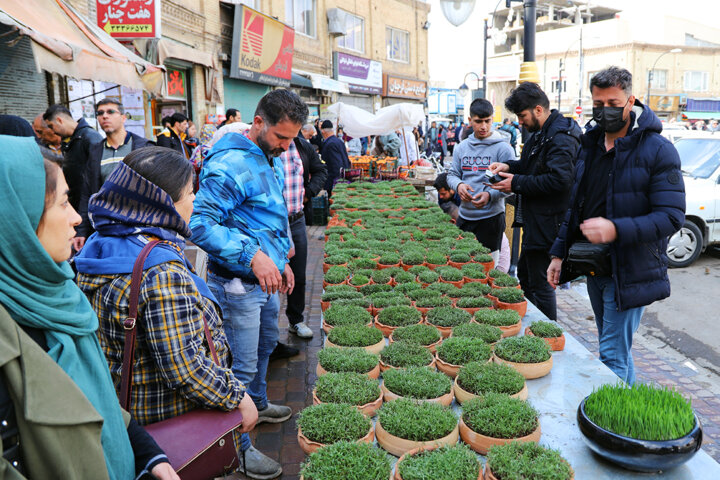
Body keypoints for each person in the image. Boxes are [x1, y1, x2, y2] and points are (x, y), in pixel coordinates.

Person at [74, 146, 264, 477]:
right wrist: (239, 396)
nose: (196, 201)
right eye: (191, 193)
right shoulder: (160, 271)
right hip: (169, 423)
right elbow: (185, 368)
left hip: (127, 415)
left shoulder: (102, 241)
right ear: (162, 202)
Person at [0, 135, 178, 479]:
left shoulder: (61, 293)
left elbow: (104, 405)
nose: (77, 218)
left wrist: (151, 457)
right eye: (63, 203)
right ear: (16, 215)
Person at [190, 89, 308, 479]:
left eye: (292, 139)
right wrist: (252, 257)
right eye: (281, 138)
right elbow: (201, 225)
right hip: (236, 284)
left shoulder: (264, 153)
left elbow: (261, 218)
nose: (286, 147)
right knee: (236, 370)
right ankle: (238, 448)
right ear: (259, 123)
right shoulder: (229, 163)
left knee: (261, 350)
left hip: (262, 282)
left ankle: (258, 402)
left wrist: (280, 260)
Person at [547, 66, 685, 385]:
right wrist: (558, 255)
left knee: (610, 356)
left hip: (630, 270)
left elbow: (672, 216)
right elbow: (575, 209)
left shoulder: (658, 150)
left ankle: (608, 431)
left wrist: (615, 229)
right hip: (593, 266)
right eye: (598, 103)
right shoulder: (590, 145)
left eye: (613, 102)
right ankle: (630, 407)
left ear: (631, 101)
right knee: (616, 350)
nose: (605, 110)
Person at [488, 82, 581, 320]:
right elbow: (531, 166)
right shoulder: (542, 133)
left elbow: (559, 181)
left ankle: (547, 332)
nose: (520, 121)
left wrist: (516, 183)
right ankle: (532, 323)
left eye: (522, 115)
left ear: (538, 110)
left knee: (540, 282)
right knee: (527, 277)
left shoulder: (561, 137)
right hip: (536, 220)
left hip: (550, 223)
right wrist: (508, 166)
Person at [76, 98, 153, 250]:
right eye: (100, 113)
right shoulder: (95, 151)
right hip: (105, 227)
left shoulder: (142, 147)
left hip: (138, 225)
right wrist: (81, 230)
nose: (104, 116)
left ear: (123, 117)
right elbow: (87, 192)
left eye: (111, 112)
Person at [446, 98, 515, 262]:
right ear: (470, 121)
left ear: (493, 119)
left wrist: (489, 195)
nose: (483, 126)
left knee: (488, 267)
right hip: (465, 218)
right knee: (462, 264)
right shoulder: (461, 147)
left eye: (487, 121)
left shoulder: (504, 149)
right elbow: (451, 175)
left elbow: (511, 184)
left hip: (492, 219)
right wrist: (459, 185)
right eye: (478, 121)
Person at [43, 104, 103, 213]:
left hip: (88, 205)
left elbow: (97, 176)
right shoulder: (70, 140)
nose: (52, 131)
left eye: (51, 126)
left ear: (59, 120)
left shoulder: (90, 138)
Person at [320, 119, 351, 197]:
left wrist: (336, 183)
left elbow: (336, 165)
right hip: (343, 177)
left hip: (335, 181)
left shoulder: (330, 144)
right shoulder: (338, 141)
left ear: (323, 131)